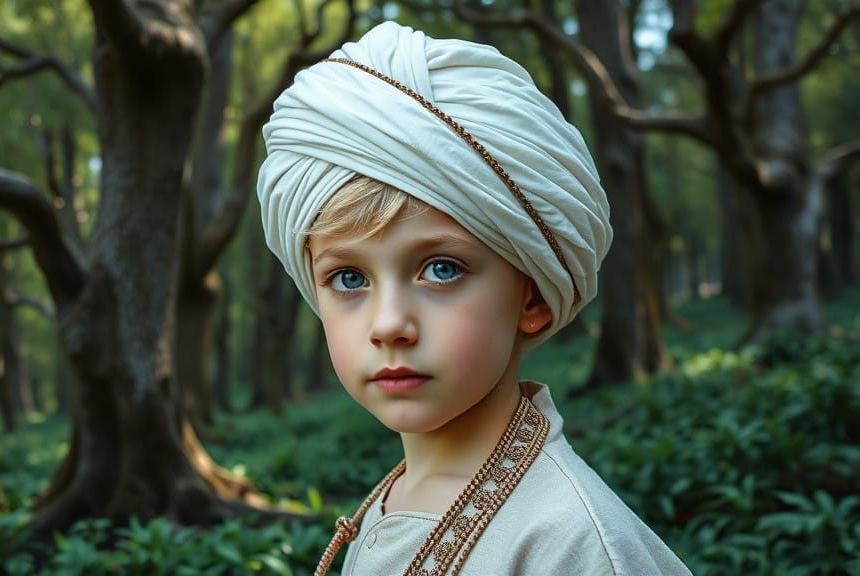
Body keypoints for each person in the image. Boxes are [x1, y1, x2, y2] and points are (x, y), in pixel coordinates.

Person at [256, 21, 692, 576]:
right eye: (348, 279)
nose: (389, 325)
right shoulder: (393, 500)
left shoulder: (572, 546)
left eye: (441, 269)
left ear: (531, 296)